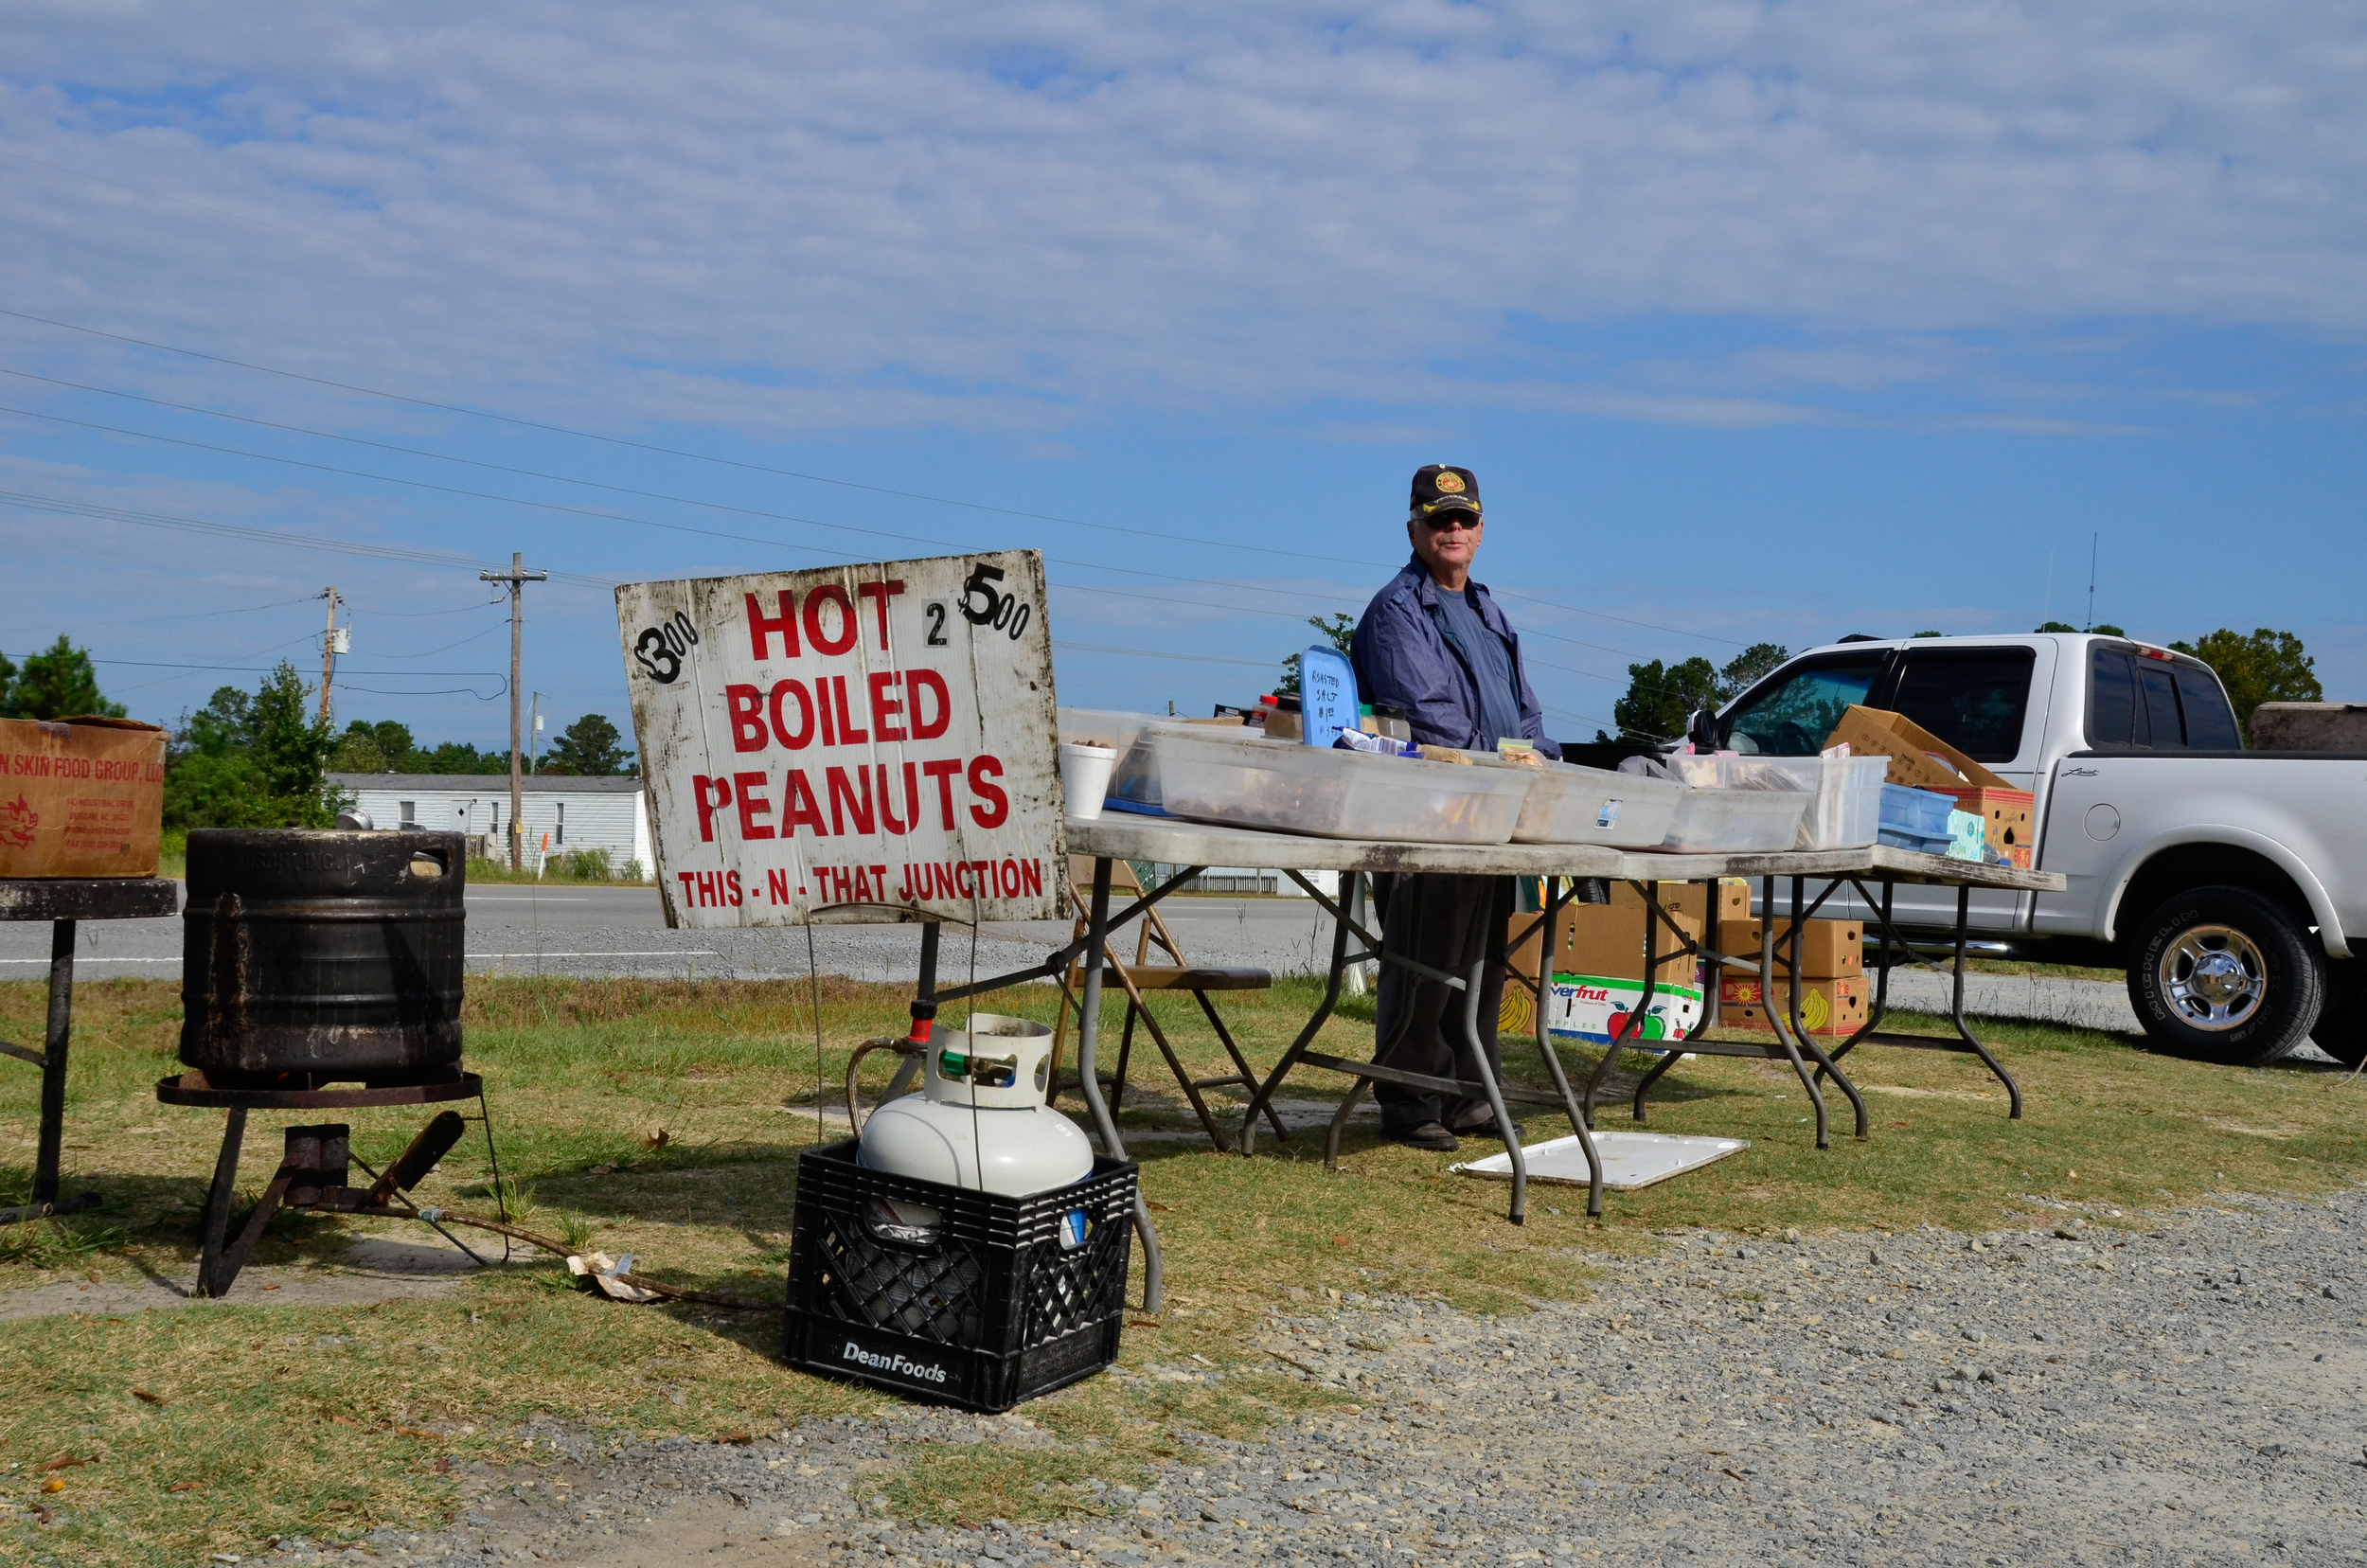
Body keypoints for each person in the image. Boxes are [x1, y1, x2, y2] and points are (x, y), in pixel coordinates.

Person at [1349, 464, 1559, 1152]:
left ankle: (1469, 1095)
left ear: (1480, 528)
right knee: (1425, 957)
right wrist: (1508, 763)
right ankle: (1410, 1101)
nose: (1453, 529)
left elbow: (1525, 713)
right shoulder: (1397, 611)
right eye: (1439, 519)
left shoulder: (1488, 610)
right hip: (1428, 814)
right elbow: (1430, 723)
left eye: (1464, 518)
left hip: (1494, 816)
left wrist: (1543, 759)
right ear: (1413, 528)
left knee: (1481, 962)